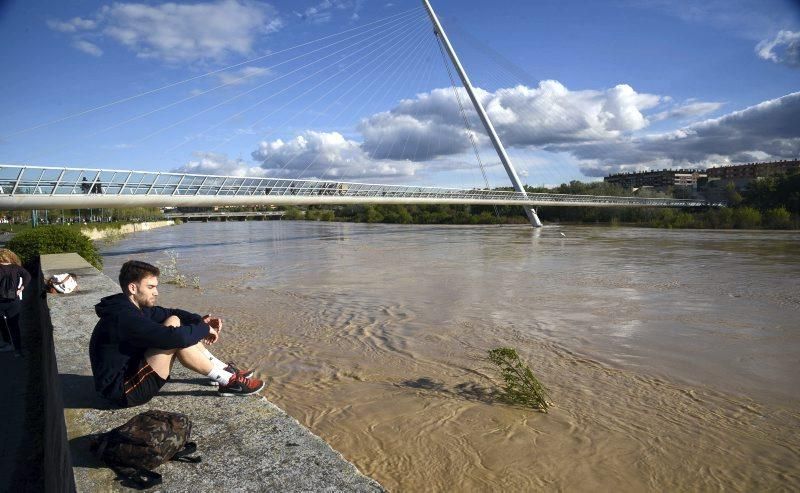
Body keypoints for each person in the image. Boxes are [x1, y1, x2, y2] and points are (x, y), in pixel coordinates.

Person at [89, 260, 264, 407]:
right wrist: (204, 329)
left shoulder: (131, 307)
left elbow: (170, 313)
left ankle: (223, 371)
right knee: (176, 338)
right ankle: (228, 381)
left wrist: (199, 321)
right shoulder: (125, 317)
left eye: (156, 287)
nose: (156, 292)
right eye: (150, 287)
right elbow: (176, 338)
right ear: (133, 288)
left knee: (174, 320)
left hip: (128, 372)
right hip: (122, 392)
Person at [0, 248, 31, 357]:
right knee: (14, 325)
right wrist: (21, 289)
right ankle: (17, 349)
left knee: (2, 324)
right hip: (14, 300)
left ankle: (8, 343)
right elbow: (28, 276)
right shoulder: (16, 268)